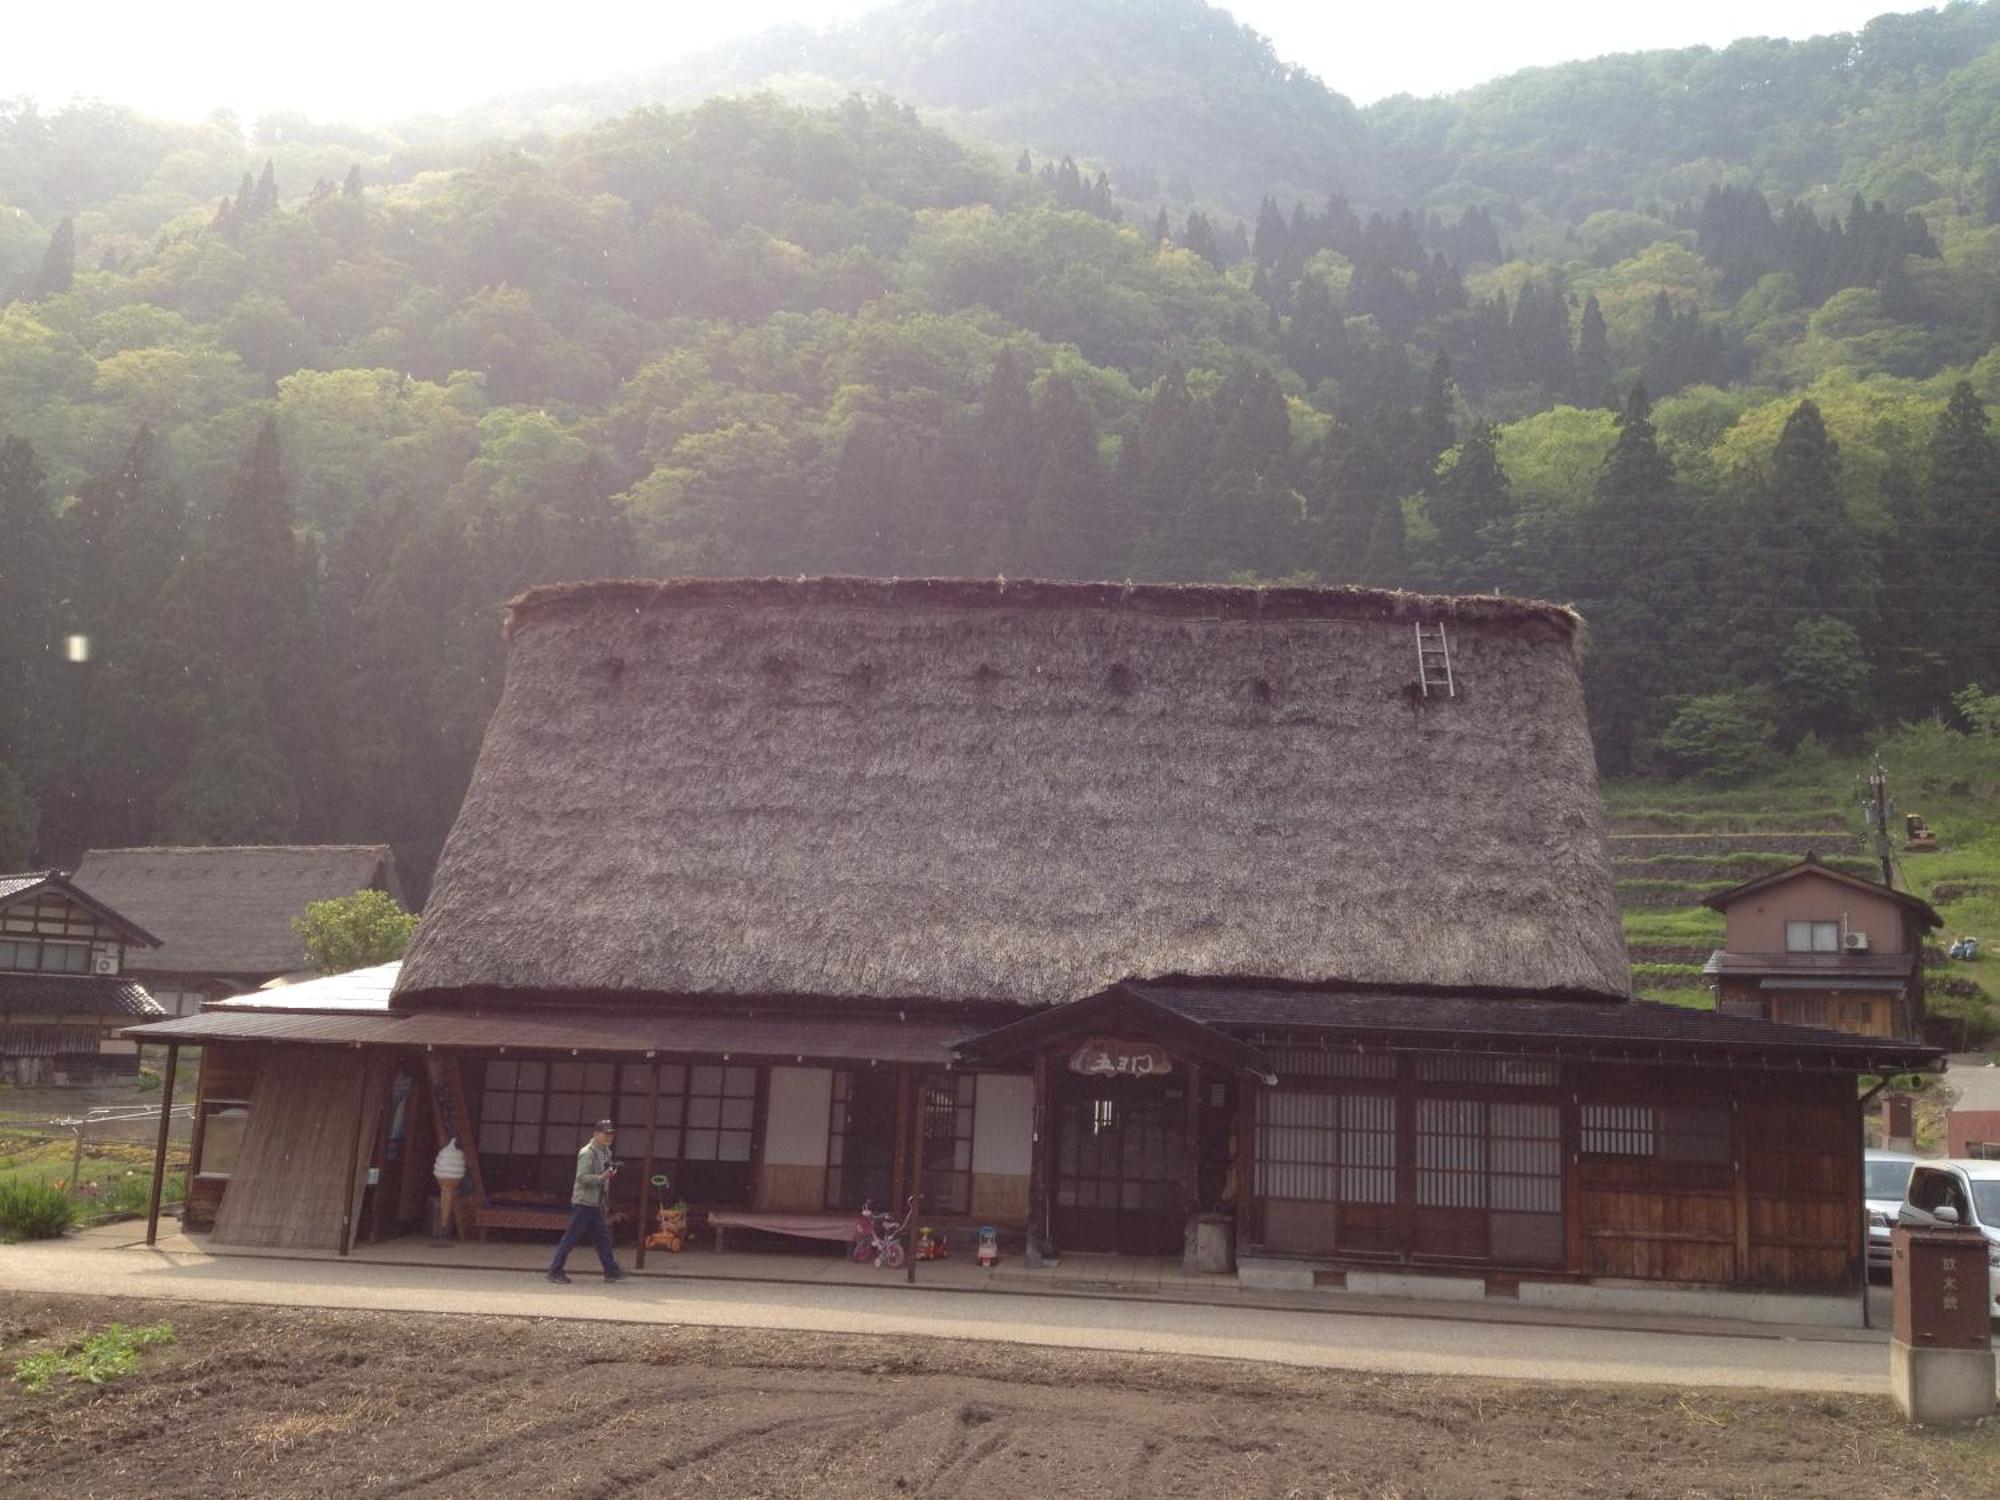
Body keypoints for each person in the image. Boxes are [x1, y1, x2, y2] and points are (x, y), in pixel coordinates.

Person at [546, 1120, 630, 1283]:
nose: (609, 1137)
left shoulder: (606, 1152)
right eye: (605, 1133)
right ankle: (555, 1270)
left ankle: (611, 1271)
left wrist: (609, 1173)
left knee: (602, 1238)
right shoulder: (587, 1153)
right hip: (584, 1201)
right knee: (571, 1238)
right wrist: (602, 1177)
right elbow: (581, 1177)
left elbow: (604, 1173)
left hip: (596, 1202)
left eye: (611, 1134)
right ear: (595, 1134)